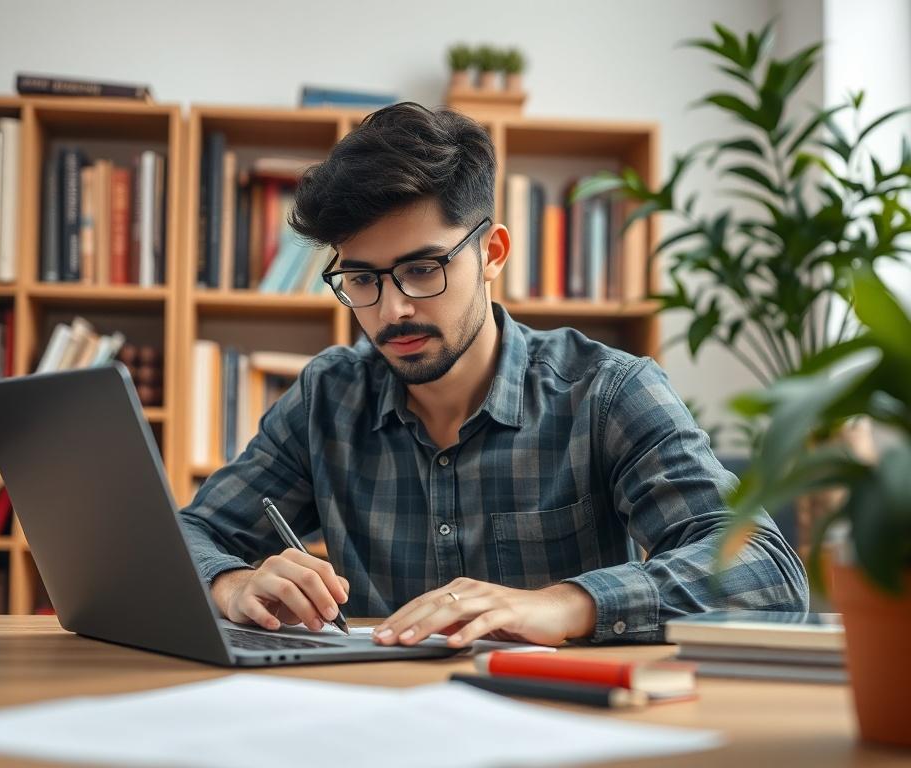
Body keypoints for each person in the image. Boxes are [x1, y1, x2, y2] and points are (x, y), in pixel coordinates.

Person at [179, 102, 808, 649]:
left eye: (424, 269)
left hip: (558, 725)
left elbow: (765, 570)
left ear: (492, 254)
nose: (393, 309)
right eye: (363, 279)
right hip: (372, 720)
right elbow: (188, 532)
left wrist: (560, 605)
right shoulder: (330, 396)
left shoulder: (608, 391)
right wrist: (231, 584)